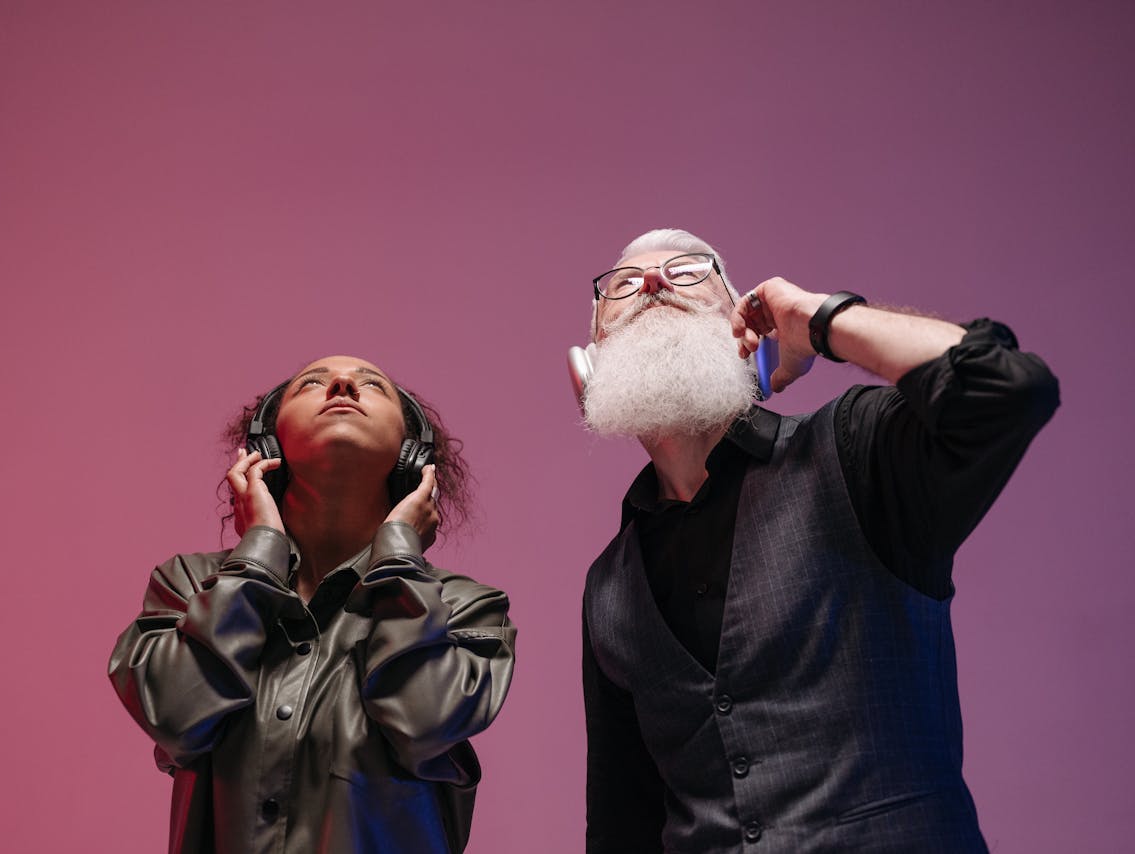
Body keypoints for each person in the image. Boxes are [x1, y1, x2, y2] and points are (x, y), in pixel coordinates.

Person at [576, 229, 1058, 852]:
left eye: (689, 271)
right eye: (622, 285)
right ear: (593, 353)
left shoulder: (853, 449)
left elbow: (1007, 388)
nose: (653, 282)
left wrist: (822, 319)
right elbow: (623, 829)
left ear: (741, 319)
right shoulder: (610, 585)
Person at [108, 355, 516, 854]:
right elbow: (175, 715)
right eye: (311, 384)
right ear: (266, 445)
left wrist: (400, 560)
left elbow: (423, 723)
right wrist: (258, 550)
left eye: (372, 386)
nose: (342, 384)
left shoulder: (465, 608)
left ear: (413, 456)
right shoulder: (190, 584)